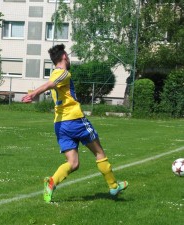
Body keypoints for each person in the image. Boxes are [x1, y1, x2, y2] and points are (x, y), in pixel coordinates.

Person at [22, 44, 128, 203]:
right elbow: (50, 84)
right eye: (68, 55)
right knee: (99, 153)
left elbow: (51, 85)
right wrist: (35, 93)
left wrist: (33, 94)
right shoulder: (63, 73)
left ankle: (51, 183)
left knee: (73, 163)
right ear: (64, 56)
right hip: (75, 120)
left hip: (60, 124)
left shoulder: (54, 74)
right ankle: (113, 186)